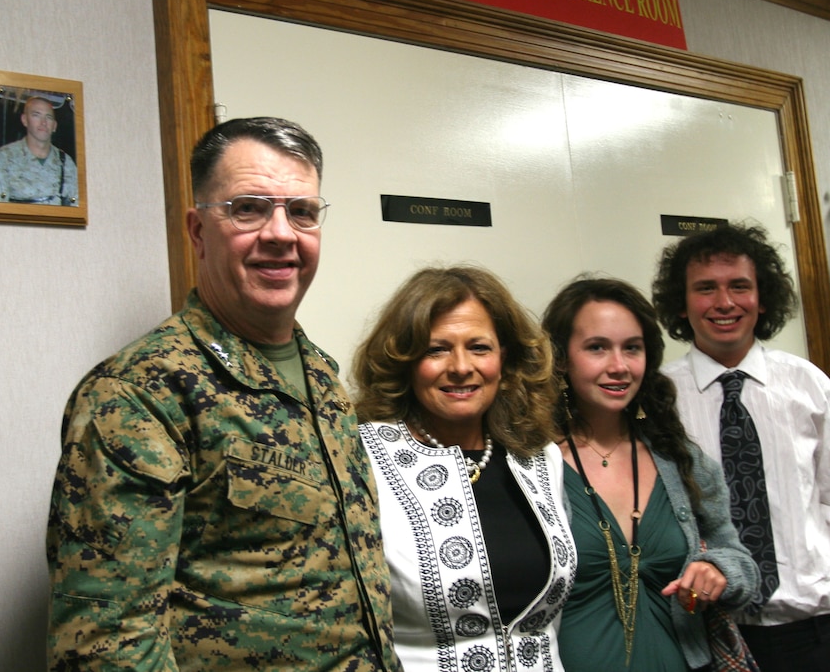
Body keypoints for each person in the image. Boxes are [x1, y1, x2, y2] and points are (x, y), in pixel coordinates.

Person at [46, 117, 400, 671]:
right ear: (197, 230)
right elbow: (108, 646)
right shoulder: (142, 394)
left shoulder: (322, 377)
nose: (282, 233)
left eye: (301, 212)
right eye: (249, 208)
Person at [651, 222, 830, 672]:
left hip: (815, 636)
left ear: (761, 297)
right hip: (707, 637)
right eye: (705, 288)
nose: (724, 302)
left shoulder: (807, 384)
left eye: (739, 286)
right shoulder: (656, 398)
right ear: (682, 304)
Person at [352, 265, 577, 672]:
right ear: (405, 360)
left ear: (504, 358)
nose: (460, 366)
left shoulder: (540, 458)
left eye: (479, 347)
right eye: (436, 349)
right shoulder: (363, 455)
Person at [542, 276, 759, 672]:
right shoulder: (530, 465)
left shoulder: (680, 460)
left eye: (633, 348)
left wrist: (717, 569)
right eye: (597, 348)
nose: (619, 366)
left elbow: (743, 565)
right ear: (561, 357)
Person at [0, 94, 79, 205]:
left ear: (54, 126)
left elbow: (77, 205)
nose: (43, 122)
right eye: (36, 115)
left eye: (48, 117)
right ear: (25, 120)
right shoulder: (5, 157)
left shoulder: (65, 163)